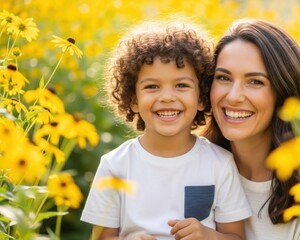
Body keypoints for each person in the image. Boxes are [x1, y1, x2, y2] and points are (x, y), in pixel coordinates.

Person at [81, 19, 251, 240]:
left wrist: (207, 235)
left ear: (201, 97)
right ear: (133, 99)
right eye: (152, 86)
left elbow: (236, 237)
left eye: (181, 85)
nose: (167, 97)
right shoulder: (115, 166)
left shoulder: (220, 163)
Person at [203, 19, 300, 240]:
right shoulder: (194, 163)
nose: (233, 96)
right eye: (223, 78)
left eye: (255, 82)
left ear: (284, 93)